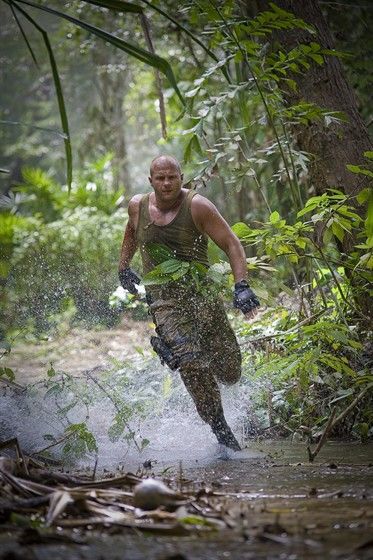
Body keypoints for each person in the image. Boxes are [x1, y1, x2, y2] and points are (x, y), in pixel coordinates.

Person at [118, 155, 260, 450]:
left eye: (172, 177)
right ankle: (221, 430)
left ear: (181, 178)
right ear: (151, 181)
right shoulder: (137, 206)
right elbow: (132, 231)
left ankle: (170, 349)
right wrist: (123, 266)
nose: (167, 183)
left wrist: (242, 285)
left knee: (230, 372)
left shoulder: (198, 206)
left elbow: (232, 243)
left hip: (202, 296)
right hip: (164, 301)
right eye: (160, 178)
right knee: (192, 363)